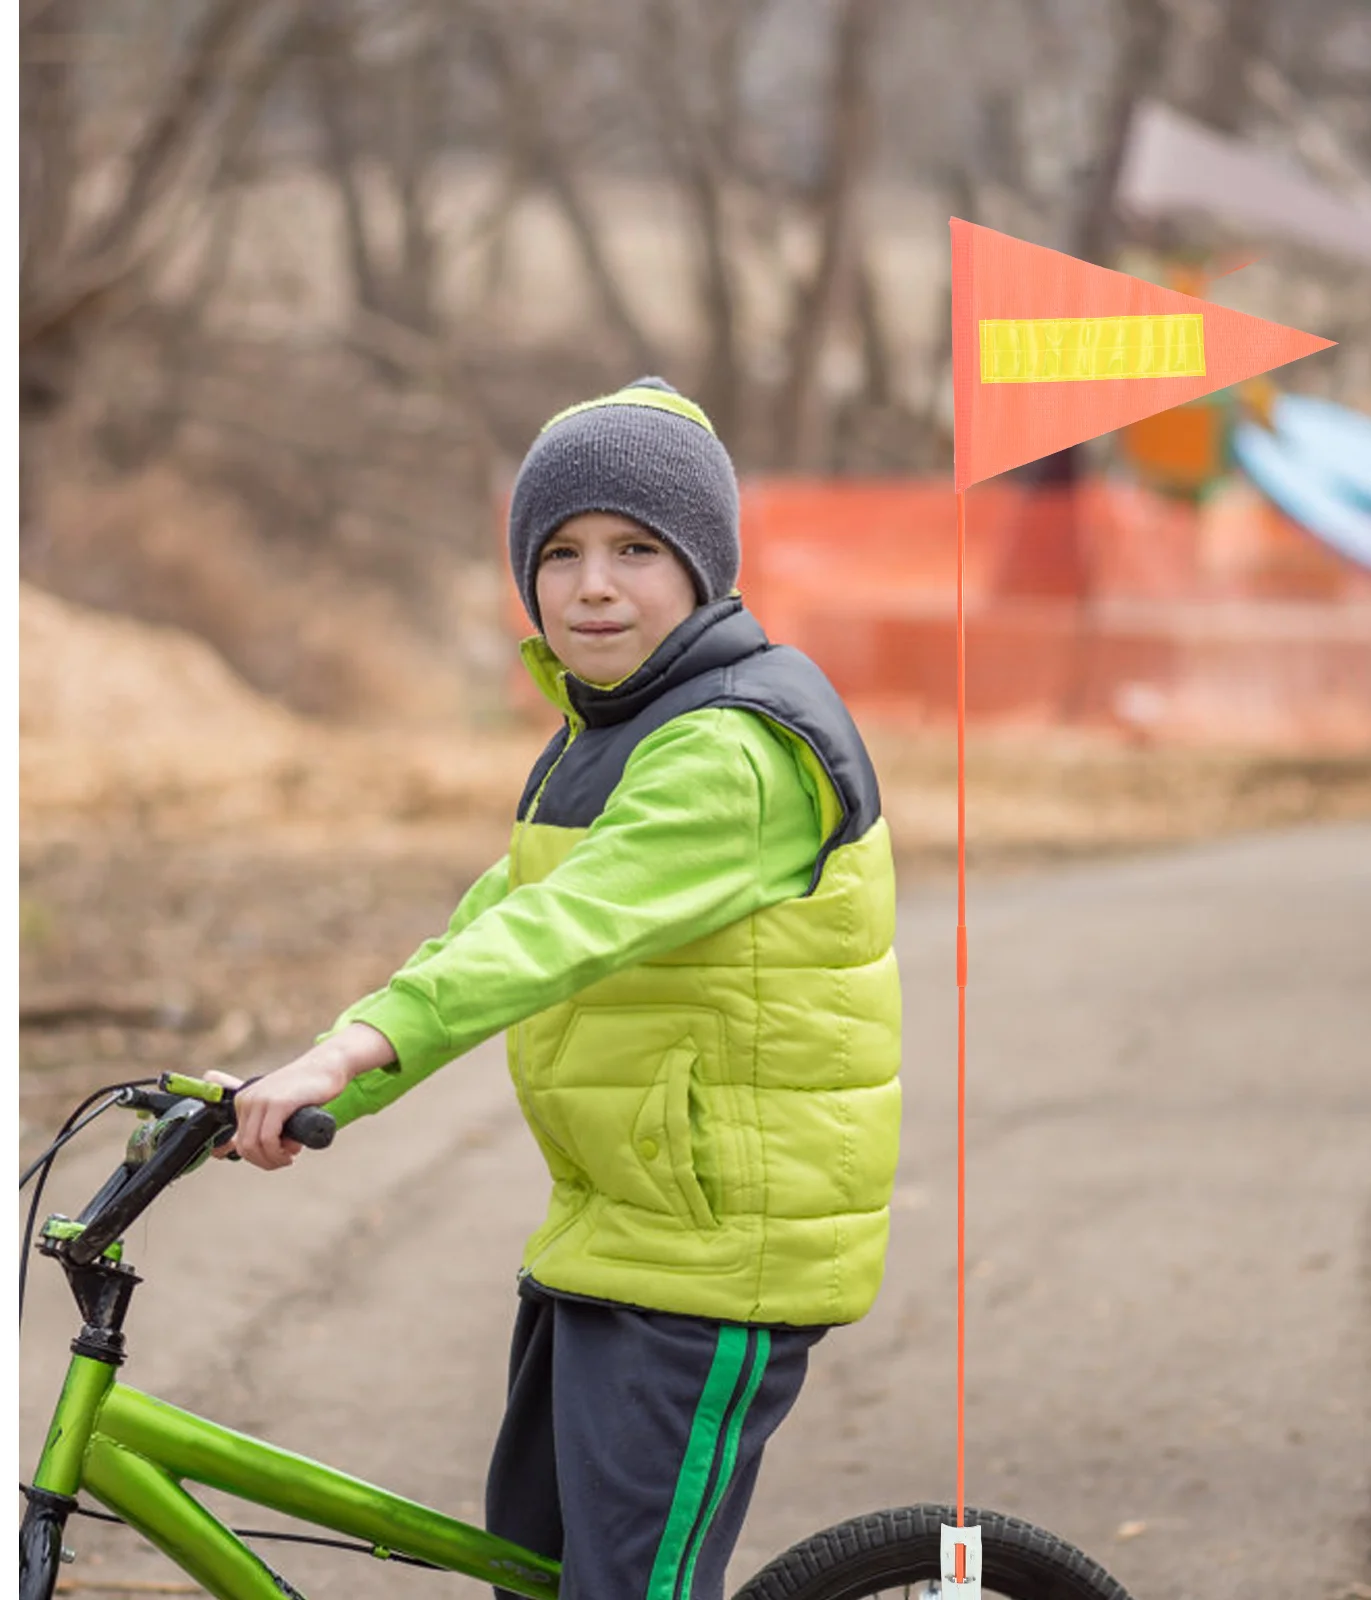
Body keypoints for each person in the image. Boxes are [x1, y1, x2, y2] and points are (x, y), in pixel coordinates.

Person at [219, 377, 902, 1600]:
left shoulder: (738, 748)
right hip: (616, 1228)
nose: (594, 583)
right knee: (530, 1569)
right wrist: (329, 1067)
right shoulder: (612, 732)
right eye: (562, 551)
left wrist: (346, 1057)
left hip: (711, 1256)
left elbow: (558, 932)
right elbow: (489, 924)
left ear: (706, 571)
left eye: (637, 549)